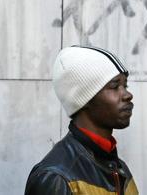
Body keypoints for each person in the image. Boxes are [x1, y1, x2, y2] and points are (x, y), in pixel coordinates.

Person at [25, 45, 139, 195]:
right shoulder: (57, 177)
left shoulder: (118, 167)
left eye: (125, 85)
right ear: (84, 98)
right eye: (115, 86)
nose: (127, 95)